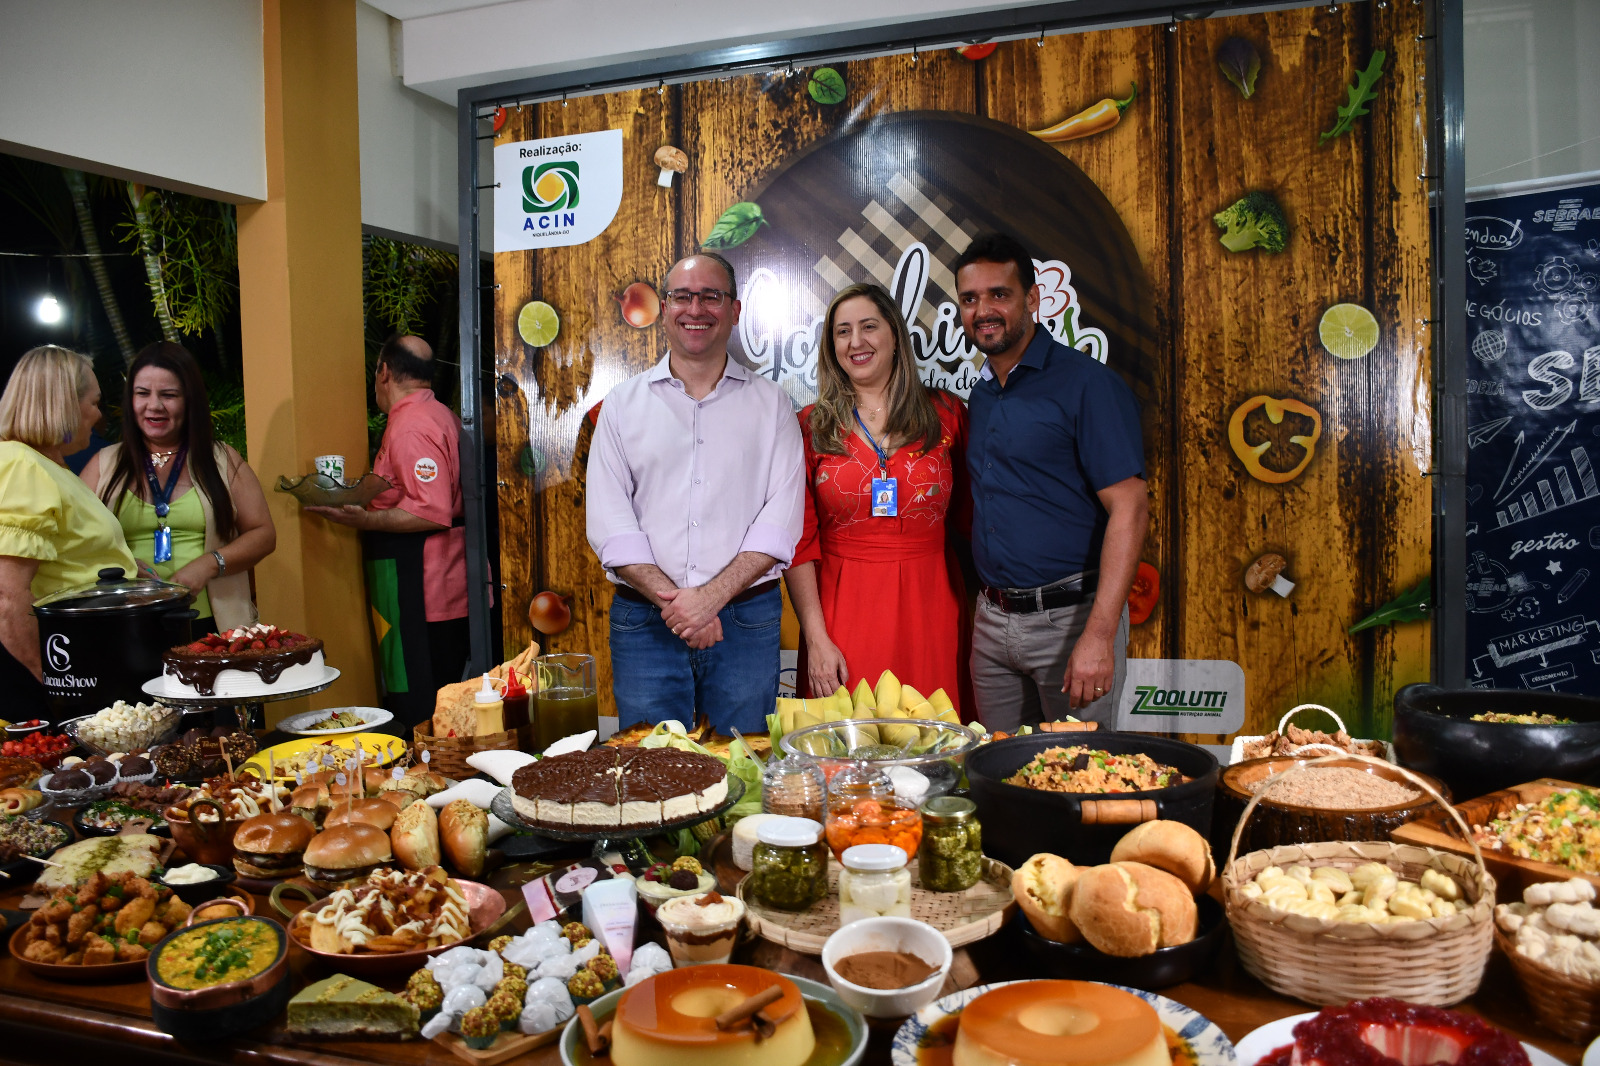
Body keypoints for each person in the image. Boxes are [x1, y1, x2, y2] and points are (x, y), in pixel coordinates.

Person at [586, 252, 805, 734]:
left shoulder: (772, 405)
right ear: (663, 309)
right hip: (645, 623)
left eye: (712, 296)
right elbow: (610, 523)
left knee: (742, 769)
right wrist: (683, 605)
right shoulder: (622, 406)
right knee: (648, 778)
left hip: (746, 621)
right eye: (682, 296)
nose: (696, 309)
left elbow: (781, 522)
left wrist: (710, 599)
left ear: (735, 309)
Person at [957, 233, 1149, 730]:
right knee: (1001, 778)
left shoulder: (1086, 384)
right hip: (993, 623)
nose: (984, 310)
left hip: (1070, 621)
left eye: (999, 294)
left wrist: (1099, 635)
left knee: (1076, 783)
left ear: (1034, 300)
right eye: (970, 298)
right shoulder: (981, 395)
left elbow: (1130, 507)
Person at [784, 283, 971, 714]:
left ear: (894, 335)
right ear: (832, 347)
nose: (856, 342)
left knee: (932, 747)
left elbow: (971, 522)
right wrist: (815, 636)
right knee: (846, 752)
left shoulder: (947, 415)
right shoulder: (809, 427)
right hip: (841, 608)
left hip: (933, 604)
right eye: (842, 332)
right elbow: (799, 540)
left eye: (869, 327)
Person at [306, 335, 469, 720]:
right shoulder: (438, 413)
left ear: (384, 371)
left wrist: (363, 519)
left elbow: (431, 511)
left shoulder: (411, 426)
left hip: (421, 588)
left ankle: (424, 774)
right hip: (433, 581)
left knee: (421, 704)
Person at [83, 342, 276, 634]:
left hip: (214, 626)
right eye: (142, 393)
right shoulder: (103, 463)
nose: (154, 405)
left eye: (169, 395)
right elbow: (75, 542)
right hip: (124, 626)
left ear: (190, 400)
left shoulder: (221, 459)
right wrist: (120, 564)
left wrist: (211, 564)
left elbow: (263, 534)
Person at [0, 346, 137, 715]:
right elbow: (8, 598)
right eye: (94, 402)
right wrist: (57, 685)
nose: (98, 414)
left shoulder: (48, 466)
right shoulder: (23, 465)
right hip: (62, 671)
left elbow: (69, 556)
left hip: (87, 659)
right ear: (63, 404)